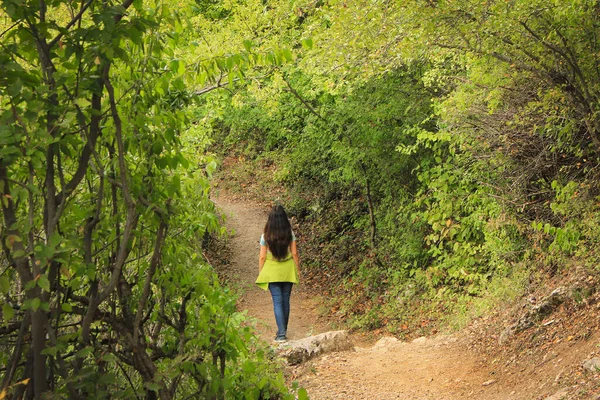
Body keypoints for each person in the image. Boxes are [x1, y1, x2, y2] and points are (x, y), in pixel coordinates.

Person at [255, 205, 300, 342]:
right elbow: (294, 253)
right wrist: (297, 269)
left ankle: (281, 334)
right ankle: (282, 331)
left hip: (272, 271)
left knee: (277, 302)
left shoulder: (266, 235)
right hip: (287, 271)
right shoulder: (290, 233)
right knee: (286, 300)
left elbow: (262, 256)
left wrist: (261, 271)